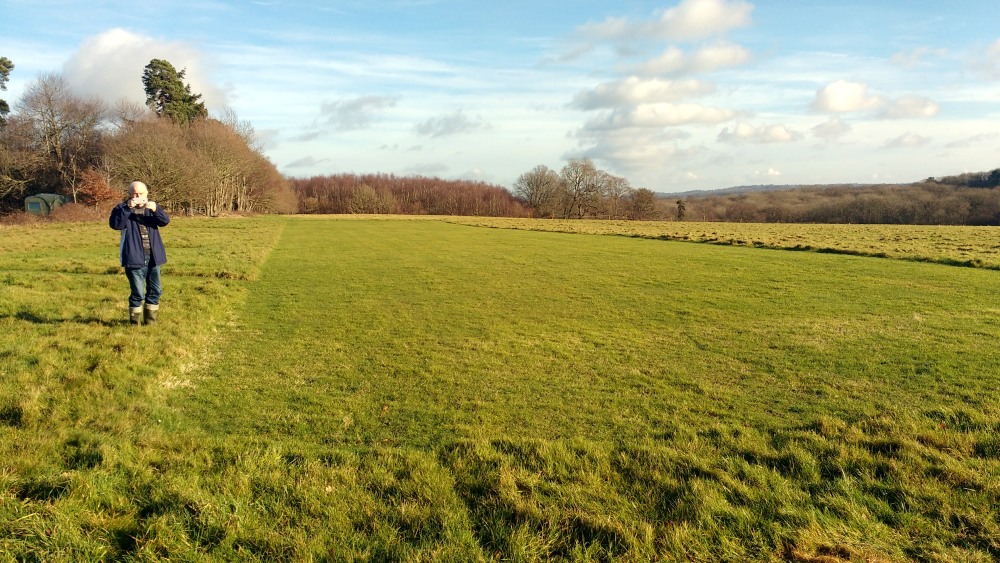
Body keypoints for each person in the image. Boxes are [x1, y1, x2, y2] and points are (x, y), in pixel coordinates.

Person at [109, 180, 170, 325]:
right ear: (129, 194)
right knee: (138, 293)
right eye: (134, 193)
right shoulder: (121, 208)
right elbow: (116, 225)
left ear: (147, 193)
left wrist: (156, 209)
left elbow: (165, 221)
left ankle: (150, 322)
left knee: (155, 291)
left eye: (140, 193)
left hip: (154, 257)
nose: (137, 196)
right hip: (133, 258)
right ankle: (134, 325)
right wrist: (127, 209)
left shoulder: (152, 207)